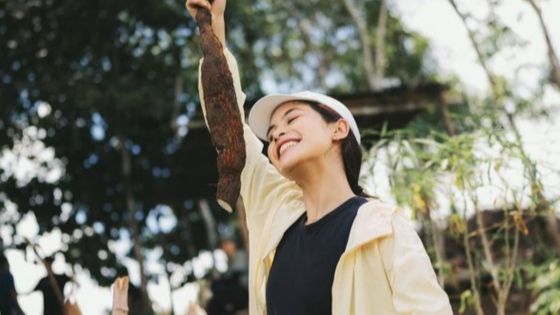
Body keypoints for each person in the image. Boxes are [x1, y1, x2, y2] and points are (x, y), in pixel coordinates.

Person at [186, 0, 453, 314]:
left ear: (338, 129)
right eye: (271, 133)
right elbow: (228, 124)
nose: (277, 134)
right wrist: (213, 29)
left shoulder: (381, 227)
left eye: (292, 119)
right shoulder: (277, 212)